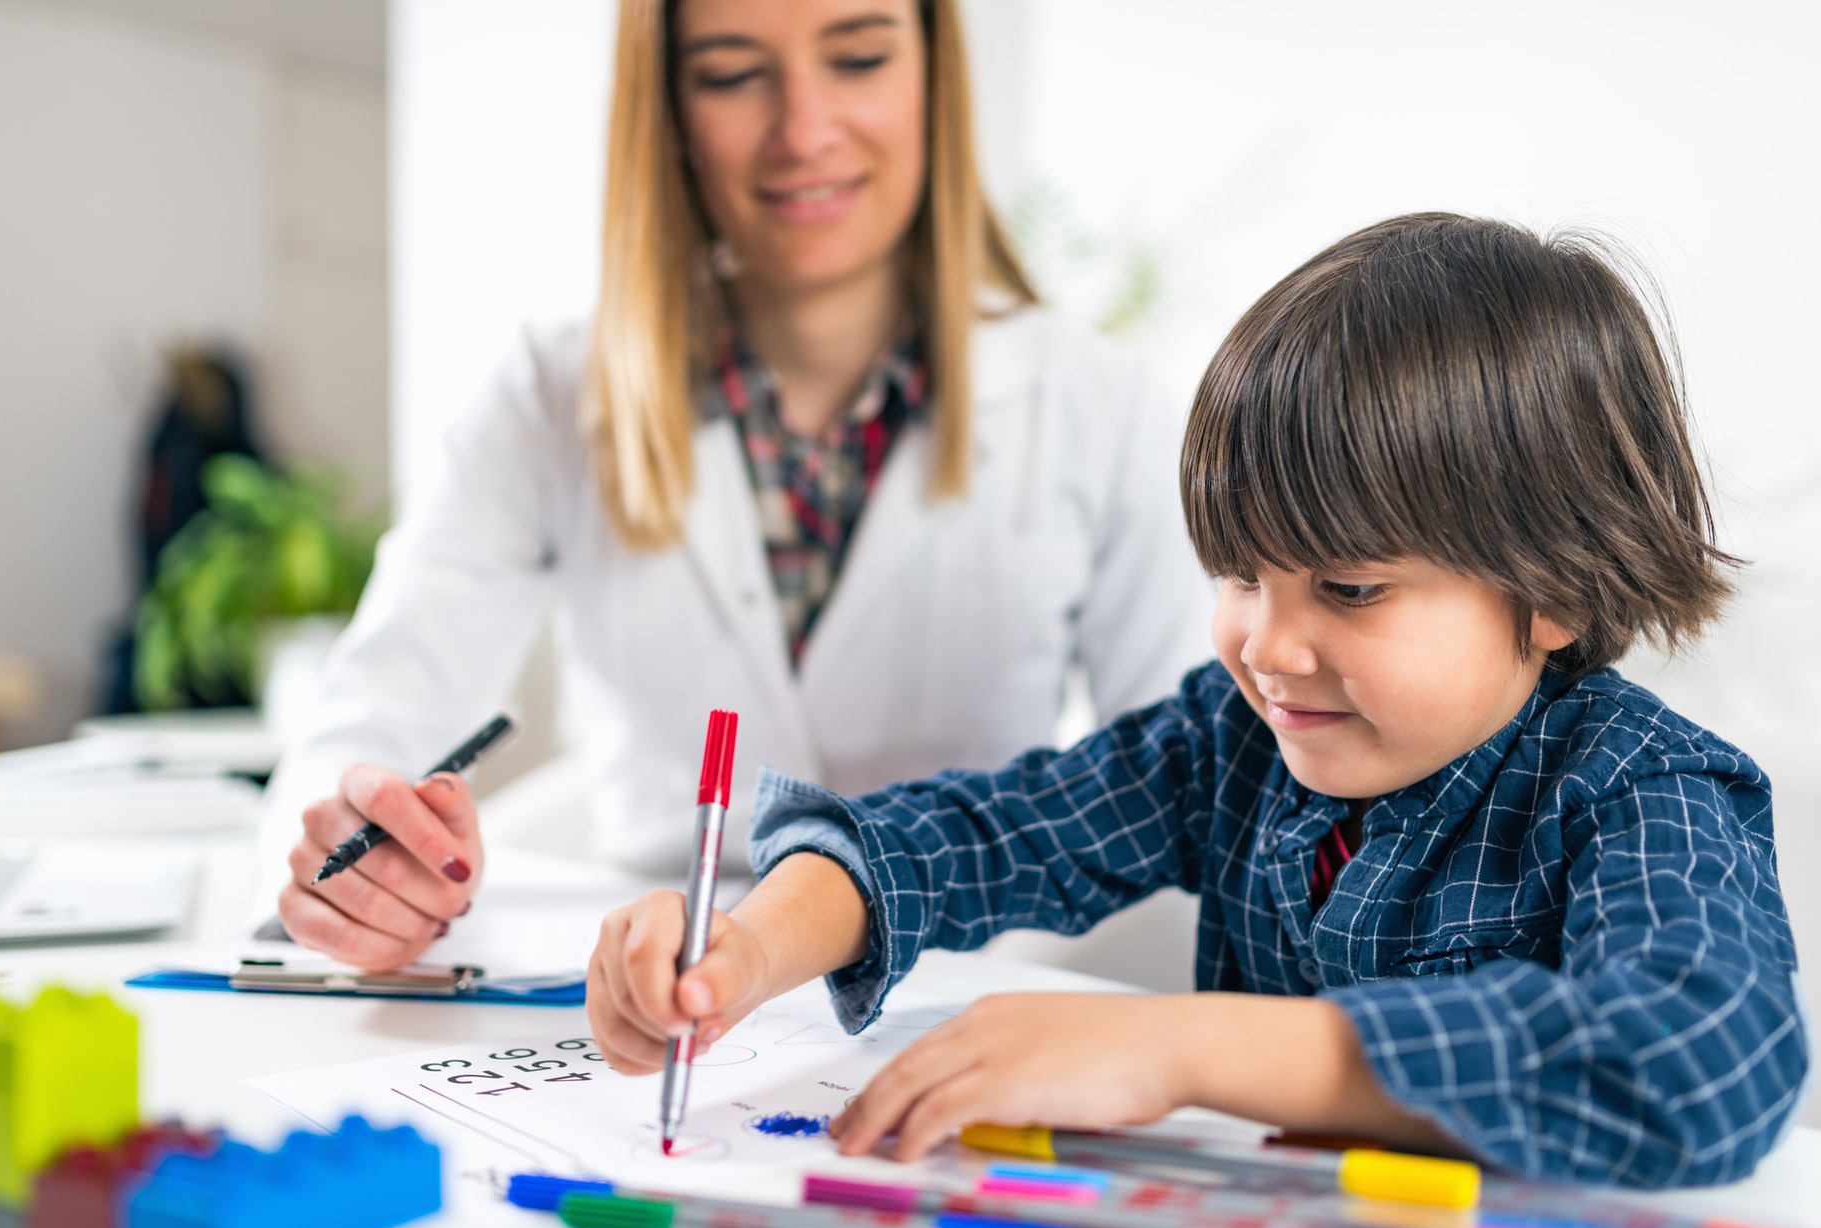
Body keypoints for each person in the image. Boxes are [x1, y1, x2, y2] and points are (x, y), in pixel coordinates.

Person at [586, 213, 1809, 1188]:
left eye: (1347, 585)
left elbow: (1699, 1058)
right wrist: (747, 946)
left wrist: (1179, 1046)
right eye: (1236, 572)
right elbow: (982, 836)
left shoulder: (1636, 788)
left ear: (1553, 591)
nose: (1266, 646)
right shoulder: (1234, 742)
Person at [264, 0, 1210, 970]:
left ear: (933, 75)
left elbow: (1201, 791)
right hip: (645, 1002)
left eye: (856, 58)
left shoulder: (1101, 404)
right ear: (668, 109)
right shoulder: (549, 394)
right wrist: (356, 848)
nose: (803, 130)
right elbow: (370, 723)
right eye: (729, 73)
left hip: (965, 996)